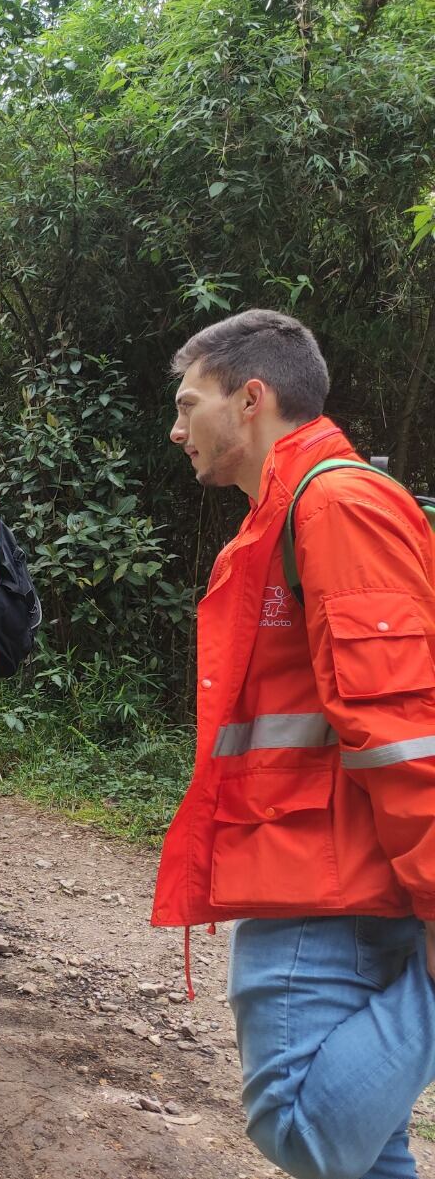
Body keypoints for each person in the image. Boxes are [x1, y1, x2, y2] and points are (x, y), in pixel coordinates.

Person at [153, 309, 435, 1179]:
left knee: (302, 1124)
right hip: (308, 867)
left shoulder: (337, 503)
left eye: (187, 402)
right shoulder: (284, 513)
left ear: (251, 398)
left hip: (329, 889)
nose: (176, 426)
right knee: (367, 1150)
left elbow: (400, 724)